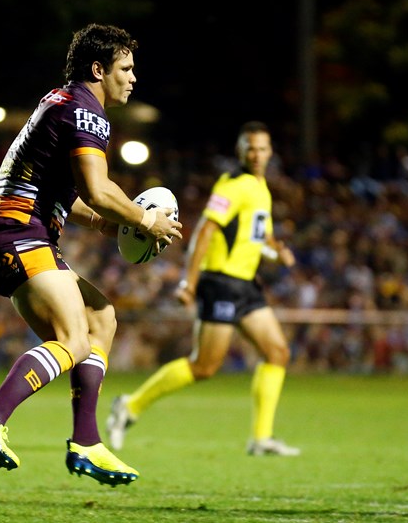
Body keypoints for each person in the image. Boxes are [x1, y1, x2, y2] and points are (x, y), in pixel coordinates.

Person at [0, 23, 182, 487]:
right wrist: (145, 220)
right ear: (99, 68)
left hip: (13, 232)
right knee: (74, 339)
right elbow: (97, 189)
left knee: (102, 319)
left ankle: (87, 442)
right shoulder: (86, 111)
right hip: (18, 232)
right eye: (126, 68)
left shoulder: (61, 101)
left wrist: (104, 221)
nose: (133, 78)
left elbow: (67, 194)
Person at [106, 120, 301, 457]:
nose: (256, 154)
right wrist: (190, 282)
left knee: (277, 353)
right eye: (249, 147)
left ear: (270, 152)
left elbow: (260, 236)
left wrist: (276, 251)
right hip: (221, 281)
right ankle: (129, 405)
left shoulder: (261, 188)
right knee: (204, 366)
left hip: (246, 284)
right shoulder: (232, 185)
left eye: (262, 148)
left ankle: (261, 438)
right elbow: (206, 231)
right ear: (240, 150)